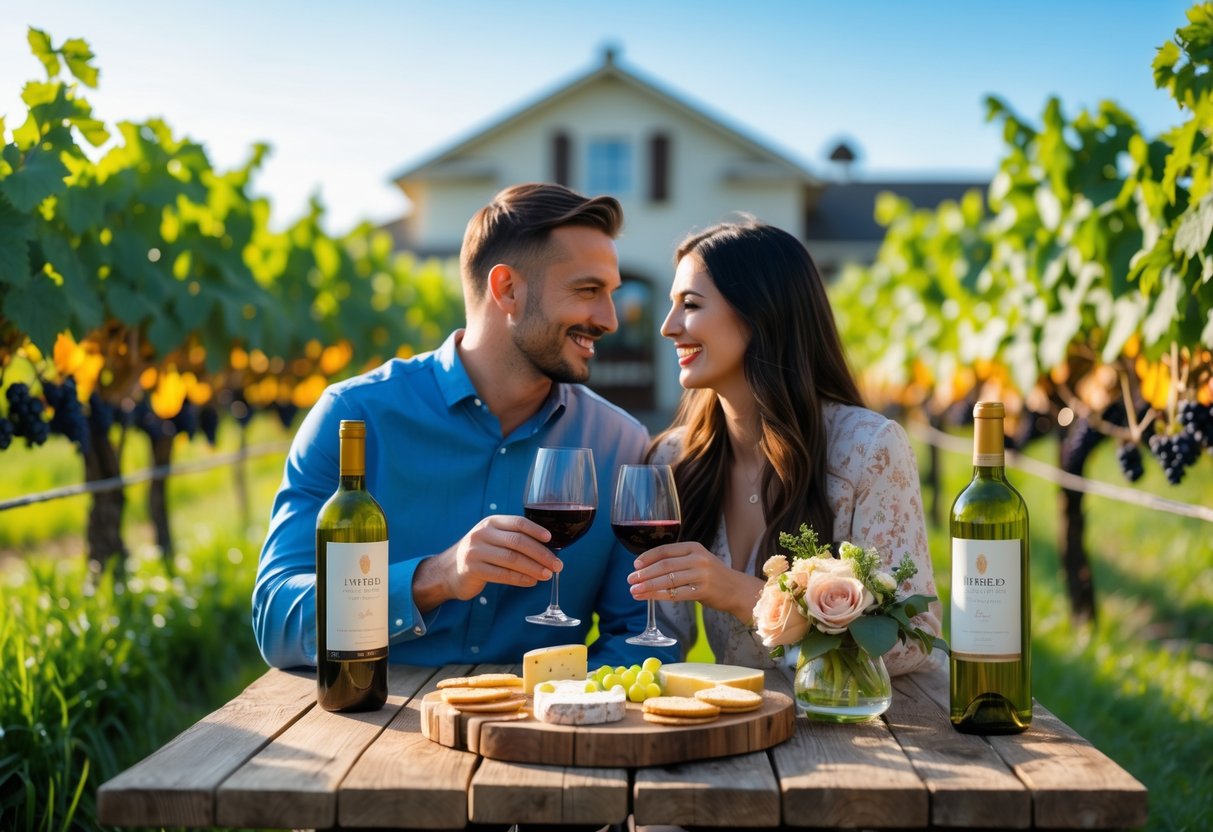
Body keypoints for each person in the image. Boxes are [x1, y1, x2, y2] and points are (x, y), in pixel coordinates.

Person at [253, 182, 677, 670]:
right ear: (507, 289)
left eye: (612, 295)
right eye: (588, 291)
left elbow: (641, 634)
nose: (609, 319)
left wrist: (568, 710)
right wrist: (435, 577)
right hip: (371, 728)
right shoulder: (354, 418)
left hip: (539, 733)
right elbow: (278, 617)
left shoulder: (619, 442)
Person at [627, 219, 941, 678]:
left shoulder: (866, 449)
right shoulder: (672, 460)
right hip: (738, 729)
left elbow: (914, 639)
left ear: (760, 313)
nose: (667, 327)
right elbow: (660, 637)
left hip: (853, 731)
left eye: (690, 305)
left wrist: (741, 594)